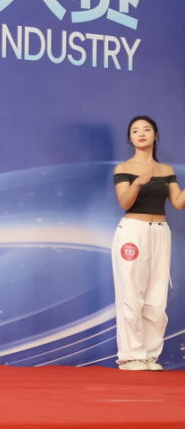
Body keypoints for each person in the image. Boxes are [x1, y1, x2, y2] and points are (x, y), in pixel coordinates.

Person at [112, 115, 185, 371]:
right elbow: (125, 202)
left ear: (155, 135)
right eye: (135, 130)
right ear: (130, 138)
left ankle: (149, 356)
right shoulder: (123, 168)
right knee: (132, 293)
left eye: (146, 129)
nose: (141, 133)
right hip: (133, 232)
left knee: (156, 296)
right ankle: (131, 357)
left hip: (160, 232)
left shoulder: (166, 170)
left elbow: (178, 203)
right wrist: (137, 182)